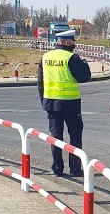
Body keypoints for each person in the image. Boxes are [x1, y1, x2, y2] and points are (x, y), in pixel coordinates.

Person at [37, 29, 91, 177]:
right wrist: (84, 63)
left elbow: (40, 82)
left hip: (50, 102)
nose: (74, 44)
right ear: (67, 42)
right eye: (73, 41)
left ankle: (57, 168)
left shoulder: (45, 57)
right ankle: (74, 169)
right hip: (70, 102)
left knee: (55, 136)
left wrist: (43, 100)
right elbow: (84, 77)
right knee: (75, 134)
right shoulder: (71, 58)